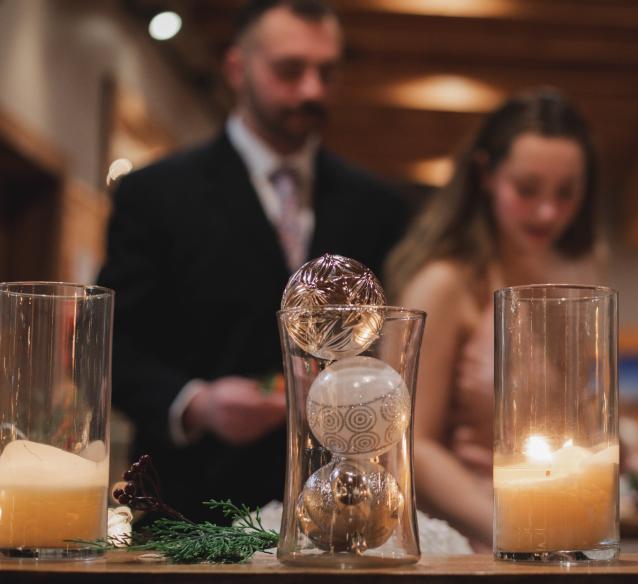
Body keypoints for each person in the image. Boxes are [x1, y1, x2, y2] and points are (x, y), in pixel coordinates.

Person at [97, 0, 407, 523]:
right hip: (190, 511)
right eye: (291, 70)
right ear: (238, 68)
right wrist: (195, 403)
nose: (312, 90)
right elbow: (112, 345)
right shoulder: (157, 194)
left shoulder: (379, 206)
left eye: (326, 72)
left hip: (341, 514)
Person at [385, 88, 605, 547]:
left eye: (567, 192)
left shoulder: (583, 273)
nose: (548, 211)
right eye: (527, 189)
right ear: (486, 174)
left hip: (566, 530)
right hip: (472, 538)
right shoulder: (445, 284)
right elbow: (408, 445)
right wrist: (511, 525)